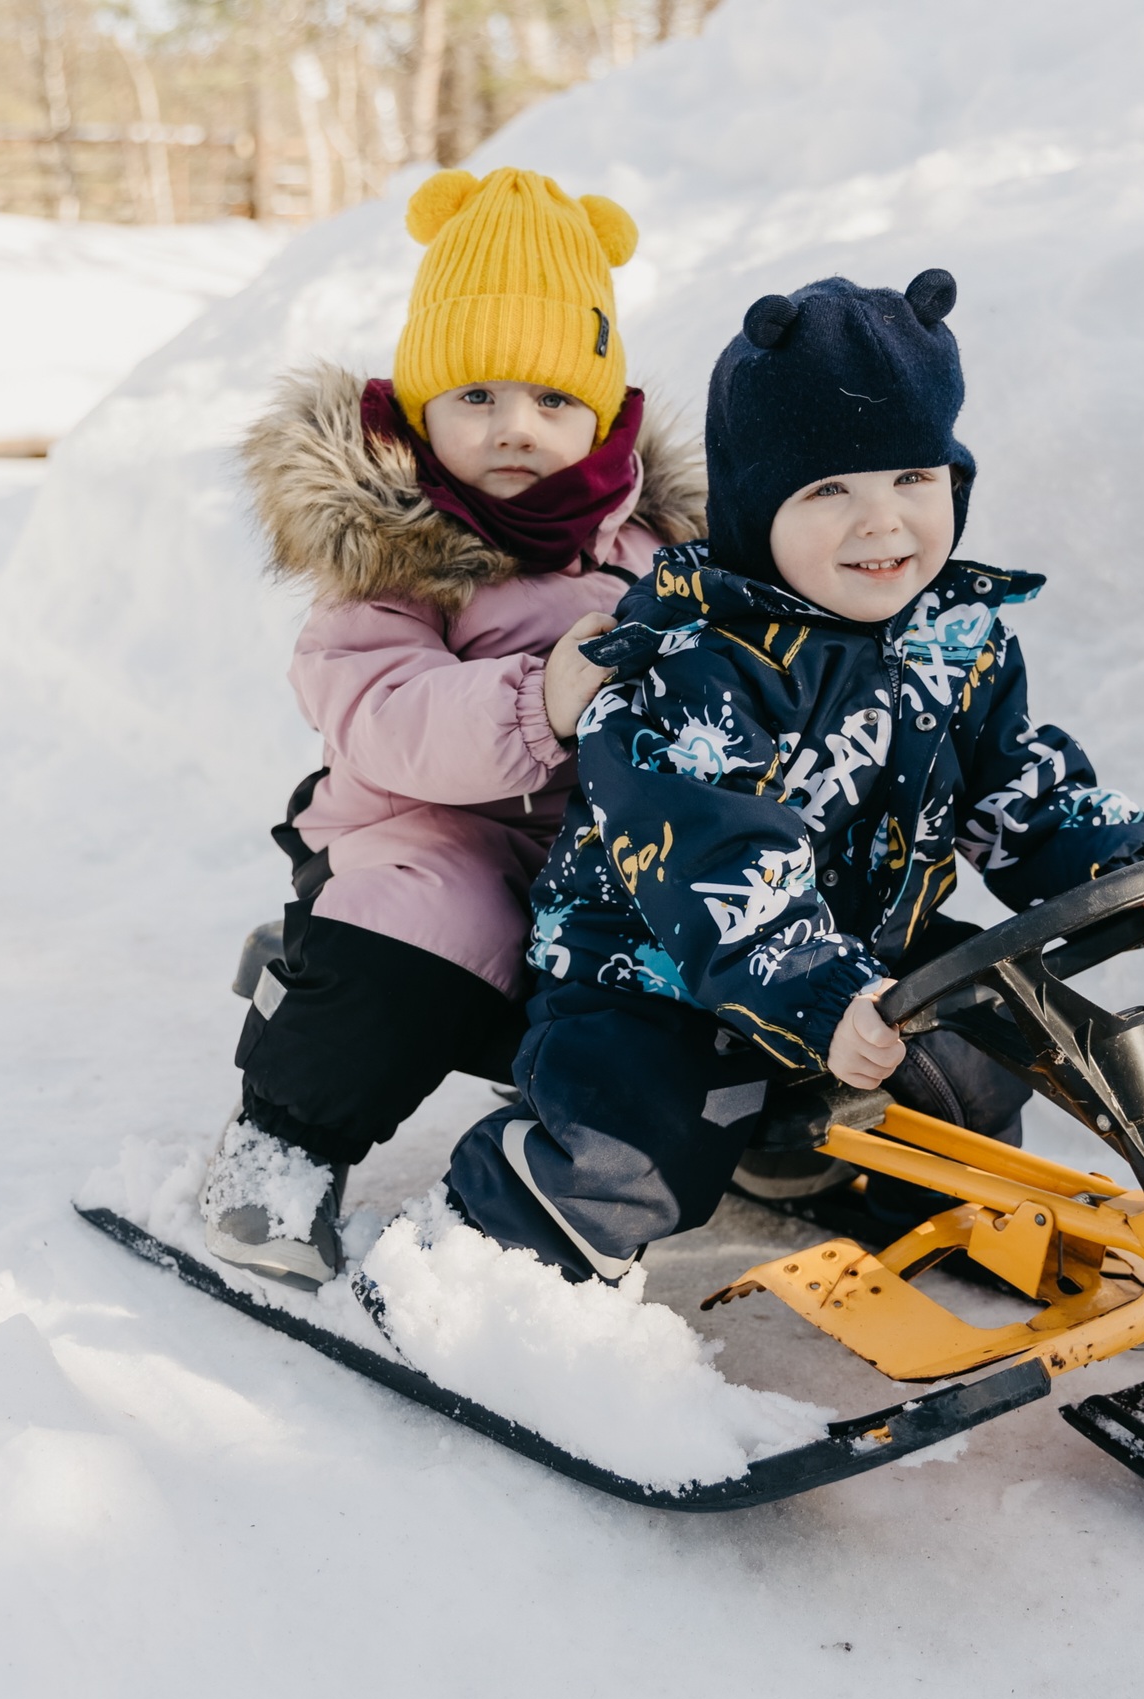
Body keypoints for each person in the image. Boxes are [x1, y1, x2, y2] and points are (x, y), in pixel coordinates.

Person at [440, 267, 1144, 1282]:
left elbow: (1015, 785)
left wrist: (1121, 875)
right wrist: (819, 992)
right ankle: (496, 1248)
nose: (883, 525)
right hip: (667, 979)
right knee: (643, 1139)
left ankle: (895, 1193)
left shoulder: (954, 641)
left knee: (984, 1054)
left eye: (914, 481)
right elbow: (715, 865)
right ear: (754, 506)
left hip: (860, 966)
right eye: (831, 489)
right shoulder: (691, 666)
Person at [206, 166, 705, 1286]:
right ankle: (280, 1143)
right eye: (476, 396)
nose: (515, 427)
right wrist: (541, 698)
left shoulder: (660, 553)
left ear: (604, 412)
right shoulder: (393, 550)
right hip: (435, 831)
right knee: (429, 913)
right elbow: (380, 711)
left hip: (609, 852)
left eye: (551, 399)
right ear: (422, 406)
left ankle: (758, 1131)